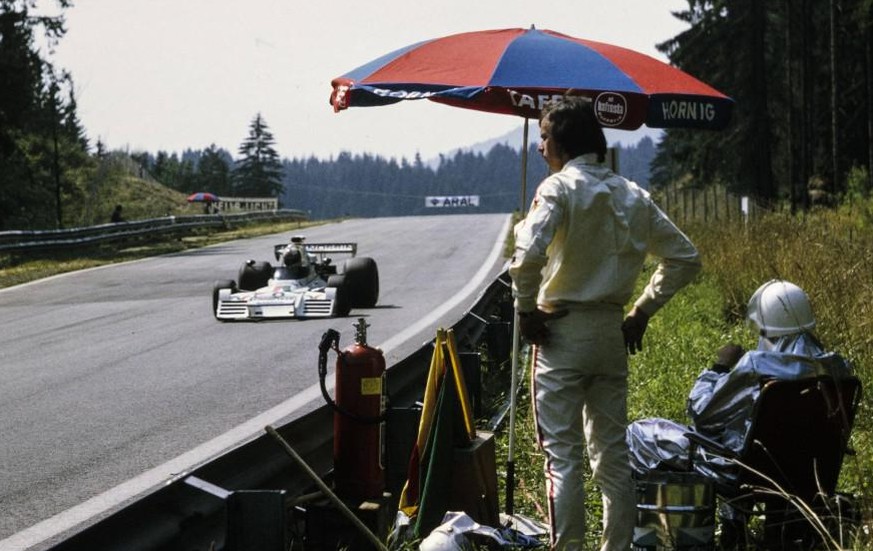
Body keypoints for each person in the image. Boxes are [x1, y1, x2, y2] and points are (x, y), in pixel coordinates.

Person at [508, 96, 701, 551]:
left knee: (564, 460)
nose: (540, 148)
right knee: (612, 459)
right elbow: (684, 258)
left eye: (544, 138)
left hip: (561, 333)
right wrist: (642, 311)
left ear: (561, 143)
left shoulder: (557, 190)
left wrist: (524, 309)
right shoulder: (633, 194)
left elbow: (526, 258)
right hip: (612, 333)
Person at [626, 280, 855, 545]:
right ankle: (738, 525)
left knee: (639, 432)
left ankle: (661, 535)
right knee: (742, 436)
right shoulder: (839, 368)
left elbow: (702, 414)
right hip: (807, 471)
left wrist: (718, 368)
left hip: (743, 472)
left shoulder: (756, 366)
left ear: (767, 325)